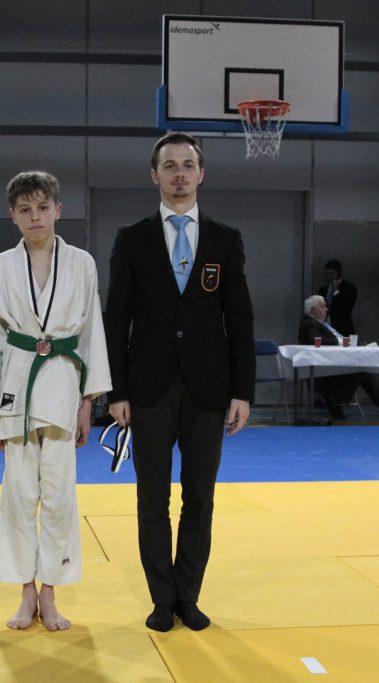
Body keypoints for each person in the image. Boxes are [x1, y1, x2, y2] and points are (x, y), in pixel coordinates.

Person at [104, 132, 255, 632]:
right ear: (155, 175)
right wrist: (117, 392)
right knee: (153, 499)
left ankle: (188, 595)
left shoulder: (225, 240)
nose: (179, 174)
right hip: (149, 388)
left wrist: (242, 391)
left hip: (209, 389)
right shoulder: (132, 239)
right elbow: (115, 320)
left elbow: (240, 318)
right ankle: (161, 598)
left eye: (188, 165)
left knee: (200, 498)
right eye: (169, 166)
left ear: (201, 174)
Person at [0, 171, 111, 632]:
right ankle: (25, 592)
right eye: (25, 210)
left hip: (62, 382)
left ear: (58, 210)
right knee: (18, 494)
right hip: (16, 380)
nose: (35, 217)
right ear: (13, 216)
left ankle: (50, 591)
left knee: (58, 495)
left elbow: (91, 332)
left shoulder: (81, 263)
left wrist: (87, 401)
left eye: (42, 208)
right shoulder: (0, 267)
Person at [298, 295, 379, 420]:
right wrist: (340, 342)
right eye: (323, 306)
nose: (326, 309)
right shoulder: (309, 324)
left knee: (362, 370)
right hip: (324, 372)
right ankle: (334, 400)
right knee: (362, 371)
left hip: (332, 367)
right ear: (313, 309)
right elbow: (316, 341)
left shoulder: (320, 324)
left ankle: (335, 401)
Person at [317, 259, 357, 335]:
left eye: (332, 274)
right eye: (327, 274)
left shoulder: (349, 288)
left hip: (343, 328)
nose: (329, 277)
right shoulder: (323, 290)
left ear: (338, 273)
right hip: (326, 328)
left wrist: (335, 292)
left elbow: (347, 307)